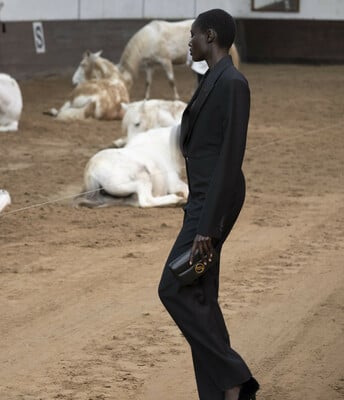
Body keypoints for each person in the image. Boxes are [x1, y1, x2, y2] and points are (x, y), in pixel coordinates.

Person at [157, 9, 260, 400]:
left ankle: (235, 377)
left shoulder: (233, 83)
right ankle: (220, 393)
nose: (189, 41)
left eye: (193, 35)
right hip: (202, 197)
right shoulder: (211, 79)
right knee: (200, 293)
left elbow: (231, 156)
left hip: (215, 200)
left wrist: (208, 226)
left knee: (172, 287)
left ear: (210, 36)